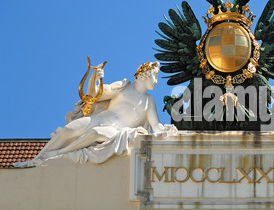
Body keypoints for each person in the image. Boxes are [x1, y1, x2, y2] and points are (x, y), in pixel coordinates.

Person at [15, 61, 177, 167]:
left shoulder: (149, 102)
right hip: (99, 118)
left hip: (116, 131)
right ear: (145, 75)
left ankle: (56, 154)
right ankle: (36, 160)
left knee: (95, 134)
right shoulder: (125, 86)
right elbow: (96, 94)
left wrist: (168, 131)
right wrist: (95, 77)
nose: (156, 81)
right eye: (155, 77)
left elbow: (156, 126)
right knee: (69, 129)